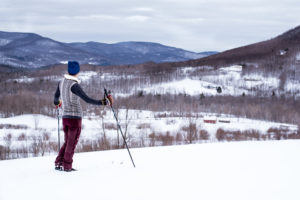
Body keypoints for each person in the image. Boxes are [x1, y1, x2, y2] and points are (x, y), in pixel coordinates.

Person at [53, 61, 113, 172]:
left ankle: (59, 163)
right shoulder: (74, 85)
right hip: (75, 118)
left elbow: (56, 97)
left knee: (67, 142)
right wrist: (103, 102)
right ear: (77, 71)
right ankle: (67, 166)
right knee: (72, 143)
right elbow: (87, 99)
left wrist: (57, 103)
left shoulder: (61, 82)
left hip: (65, 117)